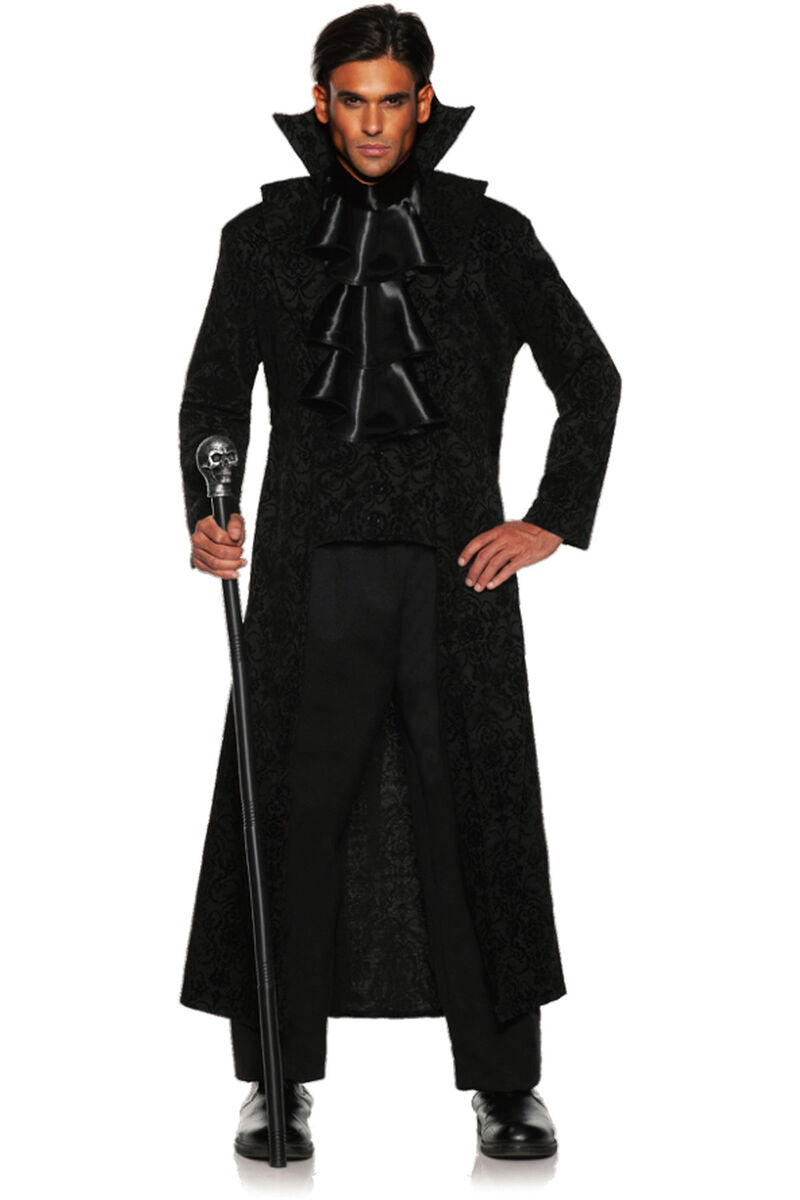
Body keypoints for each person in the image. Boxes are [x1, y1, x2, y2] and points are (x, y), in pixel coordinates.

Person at [178, 3, 621, 1162]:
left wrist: (548, 520)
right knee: (291, 819)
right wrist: (209, 512)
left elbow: (590, 376)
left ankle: (506, 1085)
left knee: (473, 815)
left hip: (455, 579)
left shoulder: (489, 234)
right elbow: (214, 395)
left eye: (390, 101)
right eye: (351, 101)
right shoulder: (260, 238)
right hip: (304, 574)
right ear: (320, 104)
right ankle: (276, 1081)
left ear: (422, 103)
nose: (371, 124)